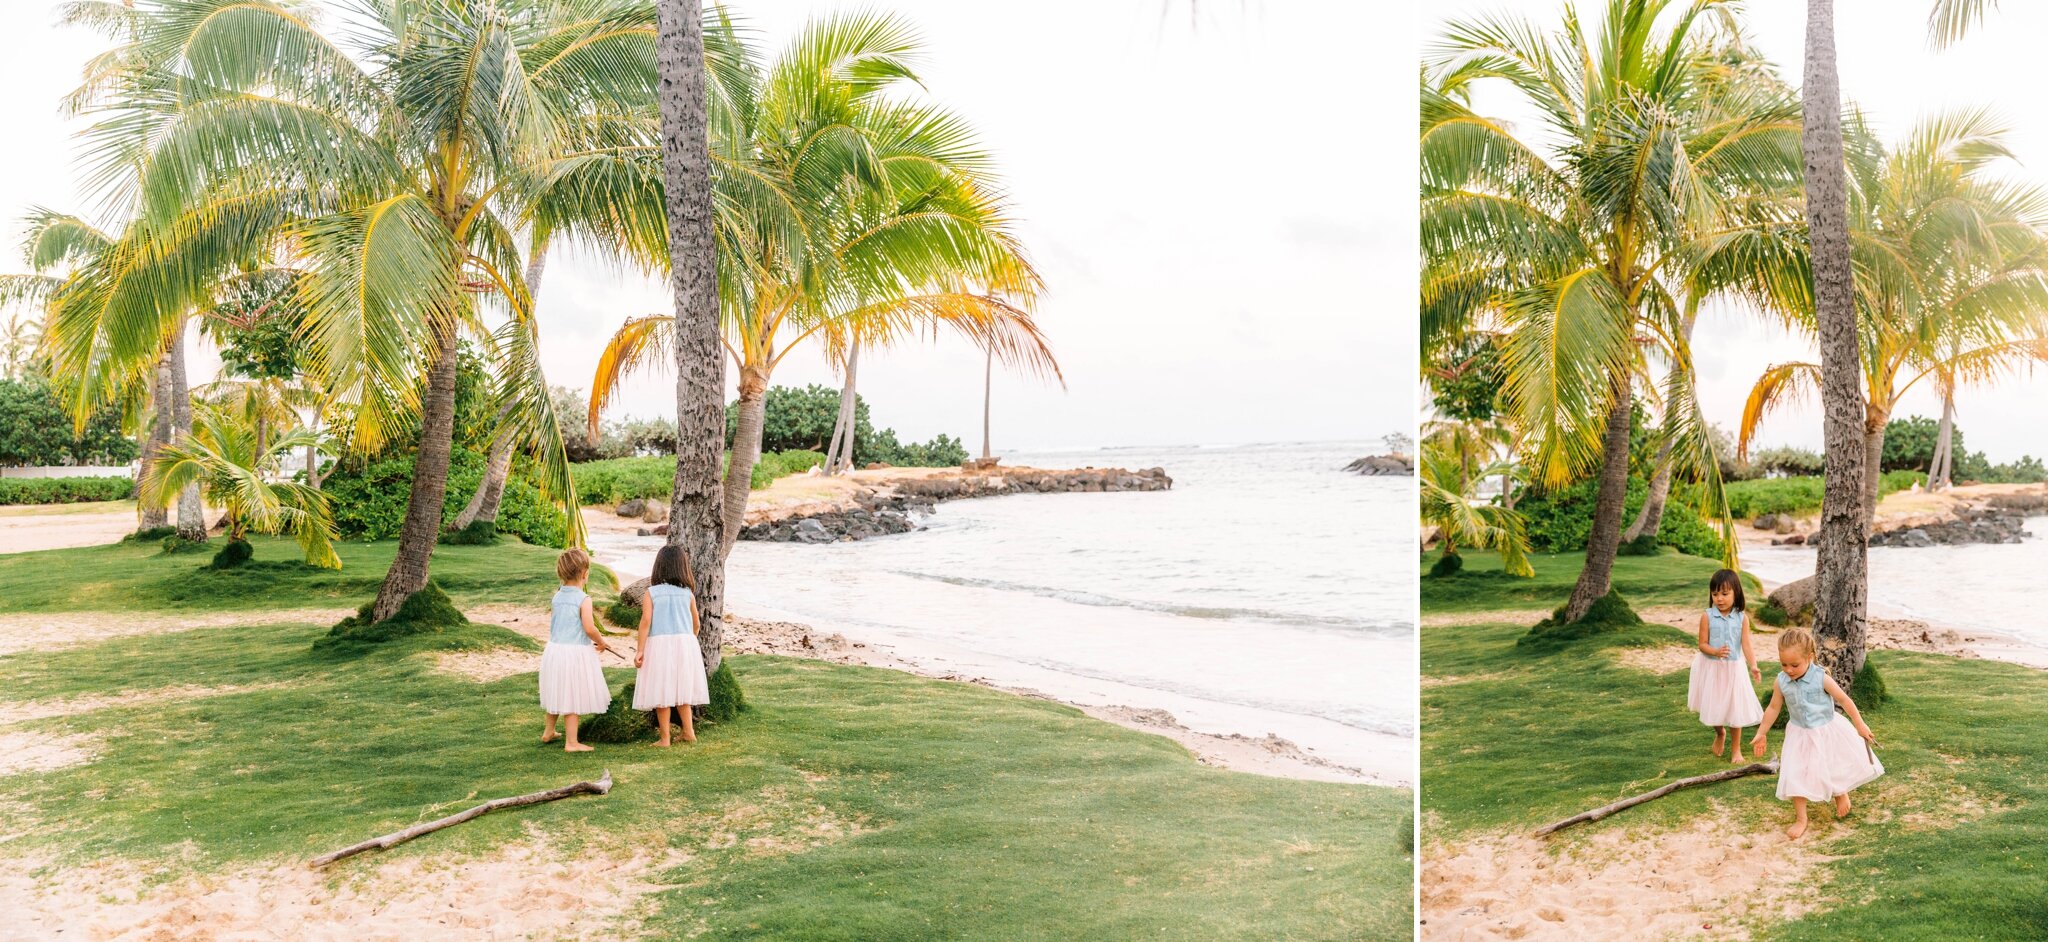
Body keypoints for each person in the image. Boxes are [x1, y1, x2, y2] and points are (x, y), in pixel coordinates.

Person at [1751, 627, 1883, 839]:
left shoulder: (1821, 678)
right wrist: (1762, 732)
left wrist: (1860, 725)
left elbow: (1844, 700)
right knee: (1795, 771)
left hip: (1825, 730)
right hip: (1798, 733)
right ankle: (1801, 818)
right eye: (1784, 664)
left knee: (1831, 765)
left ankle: (1840, 793)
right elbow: (1773, 708)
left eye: (1795, 665)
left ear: (1810, 658)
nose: (1789, 670)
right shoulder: (1781, 681)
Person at [632, 545, 713, 746]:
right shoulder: (687, 593)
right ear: (682, 567)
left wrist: (640, 650)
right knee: (682, 690)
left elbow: (645, 622)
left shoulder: (652, 593)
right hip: (685, 644)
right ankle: (689, 732)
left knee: (662, 691)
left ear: (658, 567)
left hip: (660, 645)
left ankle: (665, 738)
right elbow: (697, 624)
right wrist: (689, 640)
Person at [539, 549, 618, 752]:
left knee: (557, 691)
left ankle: (549, 731)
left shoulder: (557, 596)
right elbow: (590, 628)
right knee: (572, 695)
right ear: (585, 573)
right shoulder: (584, 599)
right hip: (574, 653)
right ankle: (572, 742)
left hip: (555, 651)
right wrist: (601, 642)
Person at [1687, 569, 1764, 762]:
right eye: (1715, 594)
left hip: (1734, 669)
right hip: (1712, 668)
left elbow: (1746, 644)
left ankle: (1736, 749)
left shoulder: (1742, 618)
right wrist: (1715, 651)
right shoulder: (1707, 616)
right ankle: (1719, 732)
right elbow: (1702, 644)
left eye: (1724, 594)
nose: (1719, 599)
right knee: (1714, 706)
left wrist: (1753, 665)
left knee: (1734, 707)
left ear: (1736, 593)